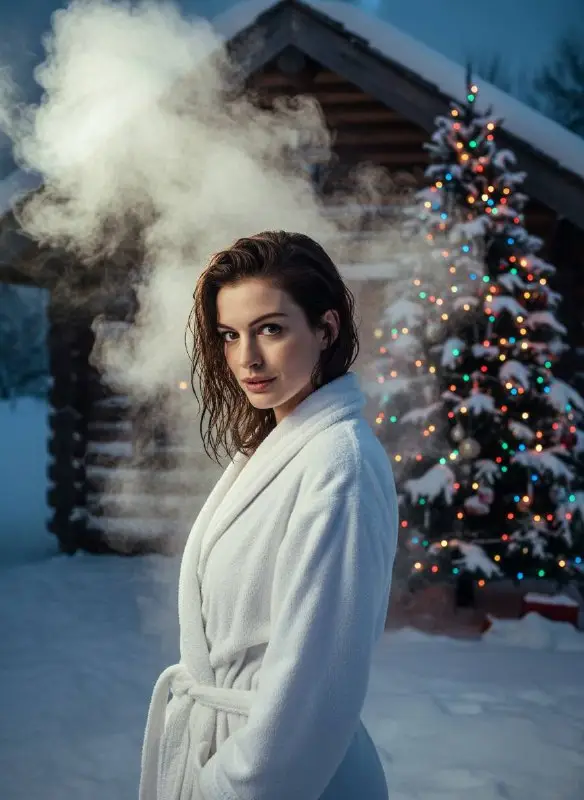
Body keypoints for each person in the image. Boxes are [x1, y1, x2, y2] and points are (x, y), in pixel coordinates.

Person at [139, 230, 399, 800]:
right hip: (239, 748)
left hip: (279, 776)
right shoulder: (271, 450)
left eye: (271, 329)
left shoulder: (339, 466)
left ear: (326, 330)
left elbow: (317, 688)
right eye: (230, 336)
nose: (246, 358)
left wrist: (226, 787)